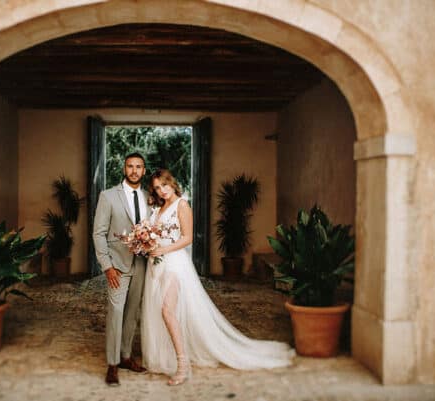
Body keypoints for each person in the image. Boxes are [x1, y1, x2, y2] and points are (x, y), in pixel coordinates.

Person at [142, 169, 295, 386]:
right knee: (160, 310)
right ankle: (165, 355)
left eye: (164, 185)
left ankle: (182, 365)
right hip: (156, 264)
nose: (162, 190)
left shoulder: (182, 205)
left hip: (174, 264)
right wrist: (147, 243)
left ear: (172, 183)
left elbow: (186, 239)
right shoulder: (158, 208)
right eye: (157, 187)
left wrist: (163, 250)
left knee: (167, 310)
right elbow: (156, 235)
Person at [93, 152, 151, 386]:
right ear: (124, 168)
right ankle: (112, 364)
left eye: (139, 167)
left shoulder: (149, 197)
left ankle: (126, 356)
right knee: (116, 312)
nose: (134, 170)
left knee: (133, 313)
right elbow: (98, 233)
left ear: (144, 171)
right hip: (117, 265)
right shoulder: (108, 196)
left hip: (142, 264)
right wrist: (107, 266)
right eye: (130, 166)